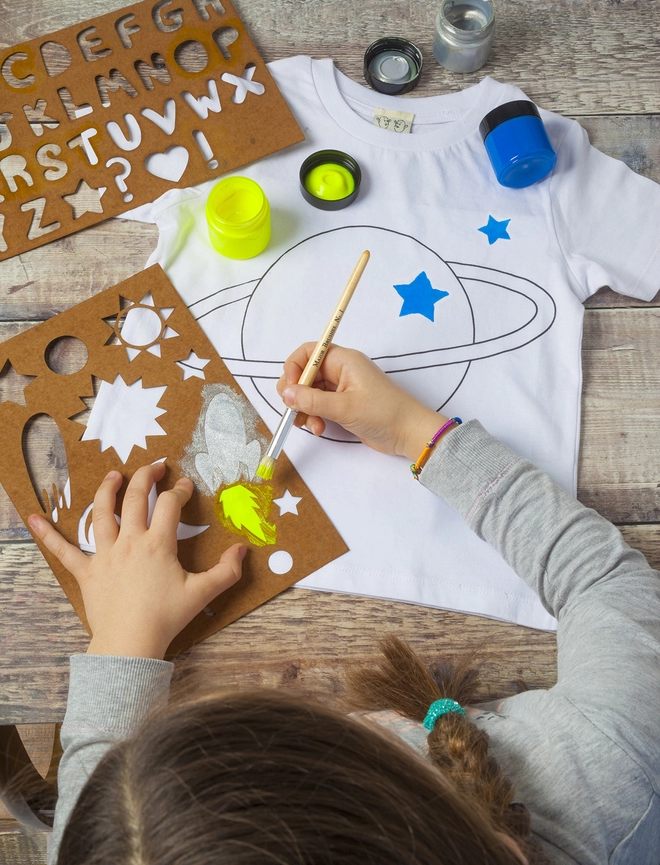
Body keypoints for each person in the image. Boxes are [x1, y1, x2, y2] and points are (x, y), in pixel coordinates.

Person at [28, 344, 660, 865]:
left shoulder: (115, 848)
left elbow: (106, 804)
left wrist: (121, 639)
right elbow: (608, 587)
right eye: (340, 729)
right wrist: (422, 433)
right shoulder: (610, 783)